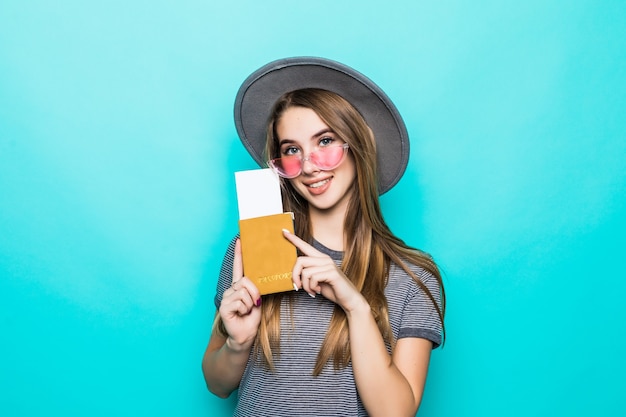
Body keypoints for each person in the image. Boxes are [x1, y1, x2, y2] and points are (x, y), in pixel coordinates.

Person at [202, 57, 445, 417]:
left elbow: (395, 413)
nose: (310, 165)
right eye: (292, 150)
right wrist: (237, 344)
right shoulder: (252, 250)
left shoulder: (412, 276)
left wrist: (356, 307)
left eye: (325, 140)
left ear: (357, 144)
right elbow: (216, 383)